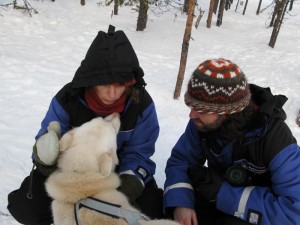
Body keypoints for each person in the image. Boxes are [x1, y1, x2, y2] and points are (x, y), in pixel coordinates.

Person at [7, 25, 164, 225]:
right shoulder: (68, 99)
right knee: (28, 210)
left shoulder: (140, 104)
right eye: (105, 85)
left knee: (152, 212)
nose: (112, 94)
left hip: (115, 173)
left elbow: (139, 153)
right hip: (71, 176)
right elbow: (47, 140)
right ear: (91, 80)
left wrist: (123, 190)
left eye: (119, 86)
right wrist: (45, 156)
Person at [163, 58, 300, 225]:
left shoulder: (275, 138)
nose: (191, 115)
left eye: (200, 109)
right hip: (216, 201)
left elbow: (294, 211)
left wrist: (222, 193)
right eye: (191, 106)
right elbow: (181, 160)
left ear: (228, 112)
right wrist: (180, 202)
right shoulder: (202, 123)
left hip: (261, 216)